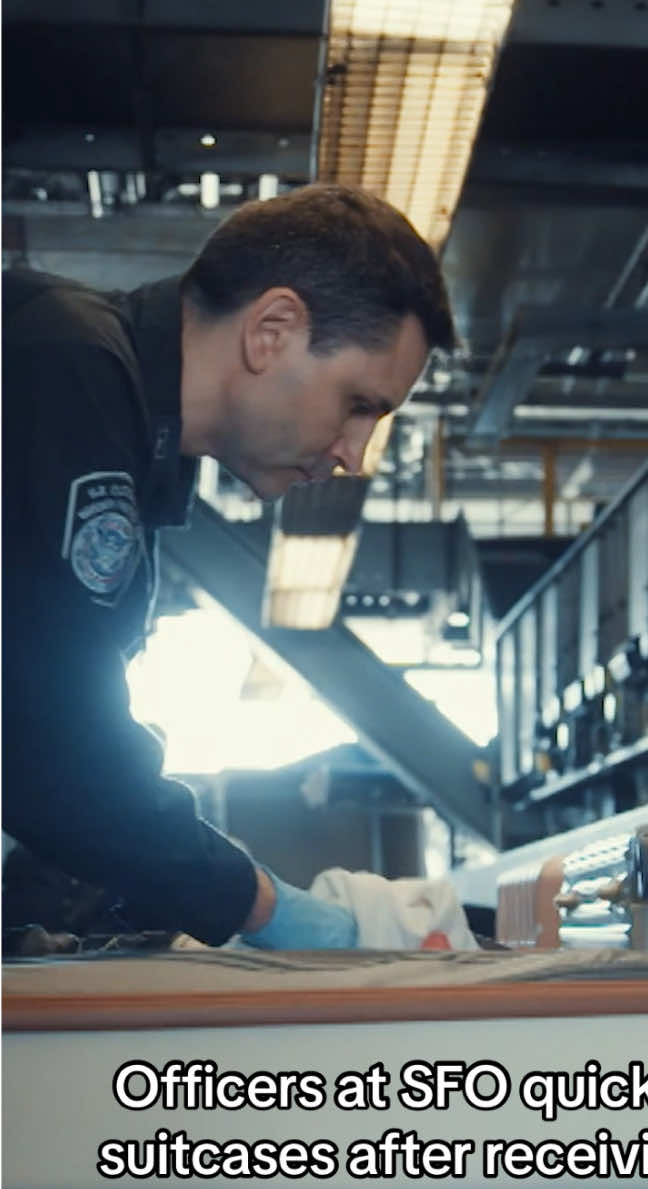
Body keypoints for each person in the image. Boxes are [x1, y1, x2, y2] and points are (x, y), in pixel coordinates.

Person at [2, 183, 457, 951]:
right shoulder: (64, 369)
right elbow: (50, 742)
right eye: (357, 404)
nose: (353, 452)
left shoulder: (123, 430)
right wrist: (258, 903)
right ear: (272, 330)